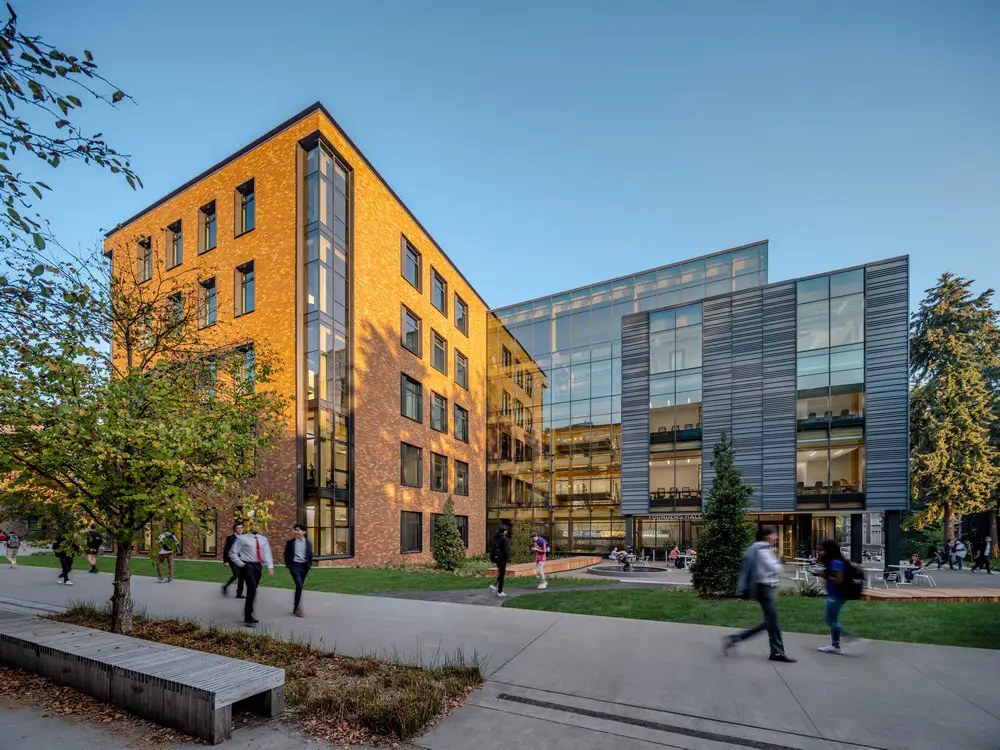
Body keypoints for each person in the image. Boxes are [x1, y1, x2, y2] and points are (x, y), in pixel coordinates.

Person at [723, 526, 795, 662]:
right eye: (774, 535)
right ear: (767, 537)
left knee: (771, 622)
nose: (776, 537)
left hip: (761, 587)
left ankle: (775, 651)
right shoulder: (764, 550)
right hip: (765, 588)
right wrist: (776, 557)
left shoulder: (754, 548)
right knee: (773, 622)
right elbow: (776, 568)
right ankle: (776, 652)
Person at [813, 539, 856, 654]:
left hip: (835, 595)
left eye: (821, 550)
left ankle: (847, 635)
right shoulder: (833, 561)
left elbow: (839, 580)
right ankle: (835, 645)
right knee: (833, 619)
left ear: (828, 550)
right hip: (835, 594)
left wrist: (822, 575)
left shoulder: (836, 562)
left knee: (829, 619)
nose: (819, 552)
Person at [229, 526, 274, 626]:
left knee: (253, 591)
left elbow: (267, 553)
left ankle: (249, 614)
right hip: (247, 565)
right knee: (252, 589)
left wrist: (269, 566)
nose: (257, 527)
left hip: (258, 566)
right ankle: (248, 616)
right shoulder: (242, 538)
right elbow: (232, 553)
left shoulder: (263, 539)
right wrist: (242, 564)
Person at [283, 523, 313, 617]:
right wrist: (289, 565)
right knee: (299, 585)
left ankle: (295, 607)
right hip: (294, 566)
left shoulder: (308, 543)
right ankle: (297, 608)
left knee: (299, 587)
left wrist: (309, 566)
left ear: (304, 532)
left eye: (298, 530)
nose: (296, 531)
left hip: (304, 566)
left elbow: (310, 555)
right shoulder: (290, 543)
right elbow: (286, 554)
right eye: (295, 530)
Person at [221, 521, 246, 598]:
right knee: (236, 575)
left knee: (242, 576)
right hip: (232, 559)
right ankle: (225, 586)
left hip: (241, 559)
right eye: (238, 528)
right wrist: (225, 561)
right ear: (235, 529)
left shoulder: (244, 538)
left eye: (241, 527)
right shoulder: (231, 538)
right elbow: (226, 550)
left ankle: (239, 593)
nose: (240, 529)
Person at [488, 522, 511, 597]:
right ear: (504, 531)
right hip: (502, 559)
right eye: (506, 530)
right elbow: (506, 550)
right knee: (502, 574)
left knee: (501, 573)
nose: (507, 531)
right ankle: (500, 591)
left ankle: (495, 585)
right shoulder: (505, 539)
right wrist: (509, 559)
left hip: (497, 558)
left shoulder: (496, 538)